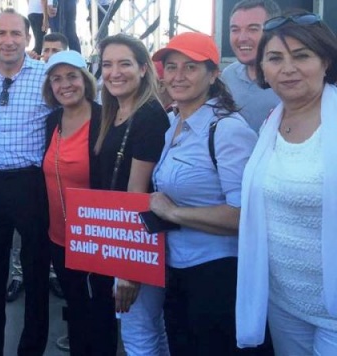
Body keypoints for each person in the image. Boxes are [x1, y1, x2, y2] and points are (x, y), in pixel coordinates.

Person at [149, 32, 258, 355]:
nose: (178, 76)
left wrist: (173, 213)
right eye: (171, 67)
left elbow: (244, 216)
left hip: (216, 274)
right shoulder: (172, 121)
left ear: (213, 75)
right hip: (177, 268)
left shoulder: (228, 130)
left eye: (190, 67)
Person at [237, 11, 337, 354]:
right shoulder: (270, 122)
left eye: (302, 55)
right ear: (263, 69)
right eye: (275, 58)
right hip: (284, 303)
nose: (288, 68)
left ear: (326, 60)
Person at [0, 9, 52, 355]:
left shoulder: (48, 77)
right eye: (1, 33)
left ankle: (30, 349)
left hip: (32, 185)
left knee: (36, 274)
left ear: (27, 37)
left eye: (15, 33)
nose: (8, 41)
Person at [95, 34, 171, 356]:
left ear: (143, 69)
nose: (115, 72)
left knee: (138, 334)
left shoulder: (149, 115)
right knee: (153, 329)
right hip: (124, 237)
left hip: (137, 240)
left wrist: (129, 267)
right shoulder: (113, 112)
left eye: (124, 63)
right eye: (107, 64)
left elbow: (137, 192)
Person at [40, 49, 110, 355]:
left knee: (101, 314)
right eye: (56, 79)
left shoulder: (105, 120)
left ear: (86, 80)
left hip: (95, 239)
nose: (64, 84)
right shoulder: (52, 120)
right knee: (77, 309)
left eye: (72, 76)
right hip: (59, 237)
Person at [7, 31, 68, 304]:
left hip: (45, 174)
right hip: (18, 176)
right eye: (47, 50)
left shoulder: (58, 83)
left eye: (56, 50)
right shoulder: (40, 77)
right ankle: (17, 275)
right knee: (18, 238)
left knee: (49, 230)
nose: (50, 55)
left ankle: (52, 274)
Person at [221, 0, 281, 132]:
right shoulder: (228, 76)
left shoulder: (290, 78)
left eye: (253, 29)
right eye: (235, 30)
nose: (242, 38)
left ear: (274, 30)